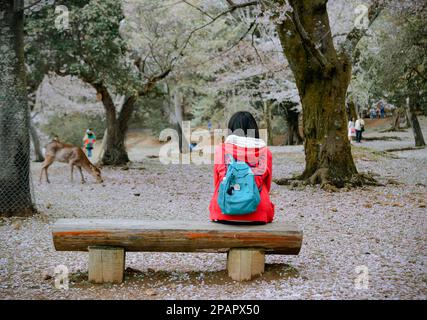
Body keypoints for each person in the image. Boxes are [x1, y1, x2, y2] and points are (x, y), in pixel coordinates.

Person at [209, 111, 274, 224]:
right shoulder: (265, 152)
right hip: (258, 211)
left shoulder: (221, 150)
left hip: (223, 210)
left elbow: (218, 182)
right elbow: (267, 185)